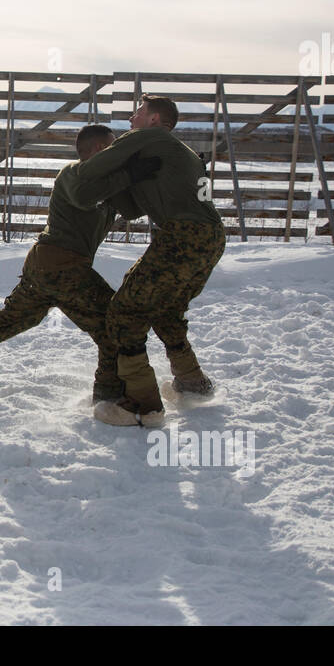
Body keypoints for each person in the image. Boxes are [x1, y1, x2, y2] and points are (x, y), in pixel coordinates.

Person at [0, 124, 160, 402]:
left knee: (9, 320)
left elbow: (132, 209)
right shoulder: (73, 174)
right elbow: (86, 196)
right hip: (62, 265)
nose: (117, 152)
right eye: (113, 146)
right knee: (113, 325)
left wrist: (159, 175)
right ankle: (107, 397)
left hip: (48, 267)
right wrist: (130, 172)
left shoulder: (106, 183)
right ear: (99, 149)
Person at [73, 94, 226, 428]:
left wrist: (106, 164)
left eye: (138, 112)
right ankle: (192, 384)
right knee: (166, 309)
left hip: (183, 236)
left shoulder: (150, 137)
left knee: (125, 310)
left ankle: (140, 406)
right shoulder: (171, 150)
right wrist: (125, 177)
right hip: (209, 237)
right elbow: (131, 209)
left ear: (155, 119)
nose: (131, 118)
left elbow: (92, 168)